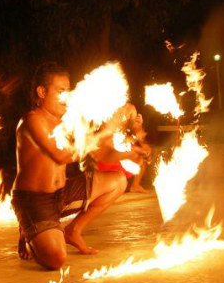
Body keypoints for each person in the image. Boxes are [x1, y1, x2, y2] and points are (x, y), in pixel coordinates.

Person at [12, 62, 129, 270]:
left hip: (62, 194)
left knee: (118, 180)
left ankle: (73, 231)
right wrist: (102, 134)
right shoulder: (32, 120)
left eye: (68, 91)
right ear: (42, 91)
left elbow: (99, 153)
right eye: (60, 91)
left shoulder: (67, 122)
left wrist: (130, 150)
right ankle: (29, 230)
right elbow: (61, 155)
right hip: (35, 202)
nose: (67, 97)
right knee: (56, 260)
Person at [90, 103, 152, 193]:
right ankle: (99, 185)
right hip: (105, 151)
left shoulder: (130, 109)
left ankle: (135, 186)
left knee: (145, 151)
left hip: (122, 146)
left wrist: (139, 127)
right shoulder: (101, 107)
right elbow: (104, 140)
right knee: (136, 151)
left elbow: (137, 132)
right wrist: (134, 145)